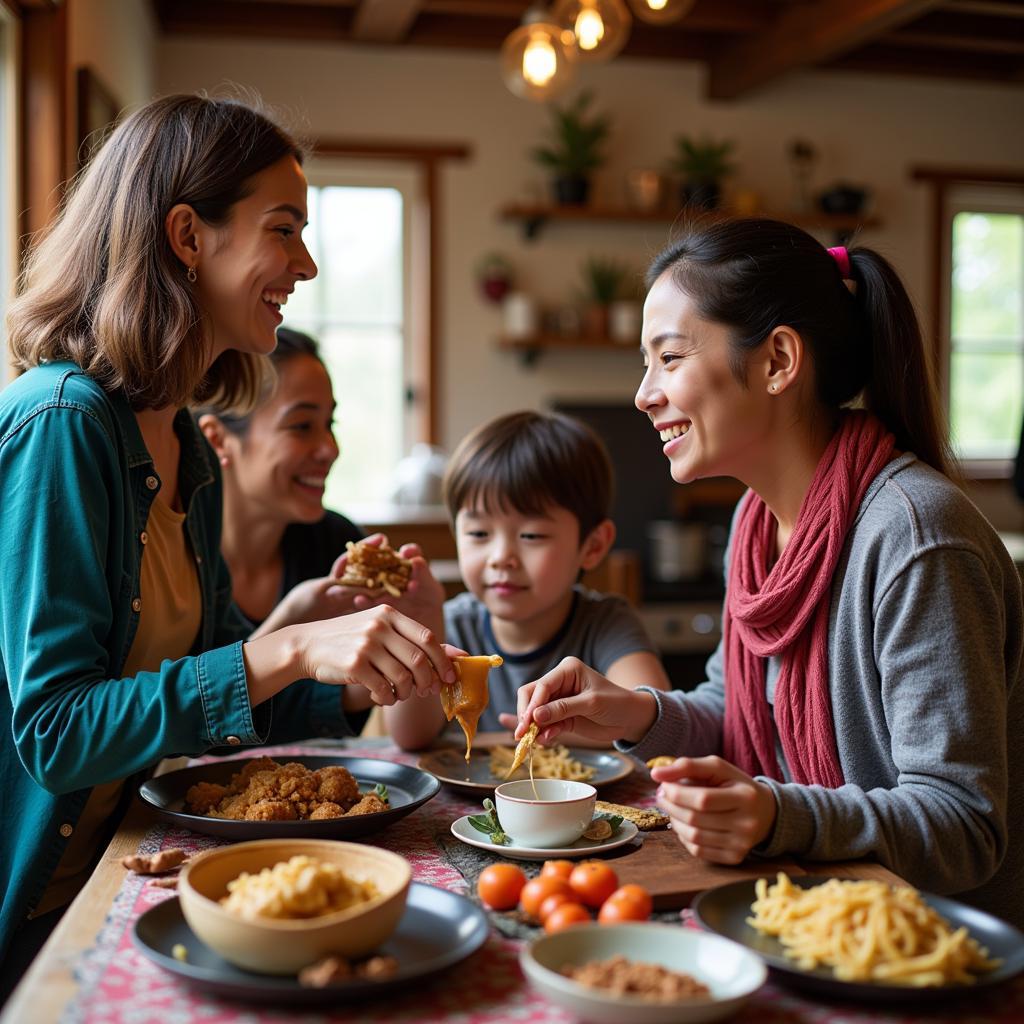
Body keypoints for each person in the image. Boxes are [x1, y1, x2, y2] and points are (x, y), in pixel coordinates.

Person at [0, 94, 456, 984]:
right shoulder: (63, 424)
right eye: (283, 229)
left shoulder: (184, 447)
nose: (308, 263)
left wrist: (348, 662)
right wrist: (283, 647)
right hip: (35, 916)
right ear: (187, 236)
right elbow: (56, 734)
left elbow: (213, 709)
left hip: (124, 875)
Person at [511, 219, 1024, 929]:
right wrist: (633, 712)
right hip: (799, 914)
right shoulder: (755, 526)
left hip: (919, 949)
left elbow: (963, 825)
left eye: (669, 357)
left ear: (779, 360)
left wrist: (776, 812)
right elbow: (737, 710)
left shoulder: (916, 537)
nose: (643, 394)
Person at [385, 410, 670, 750]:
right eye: (478, 533)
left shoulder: (607, 624)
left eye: (532, 535)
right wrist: (423, 626)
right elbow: (410, 737)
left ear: (592, 546)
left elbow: (654, 723)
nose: (501, 556)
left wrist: (536, 731)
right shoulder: (451, 626)